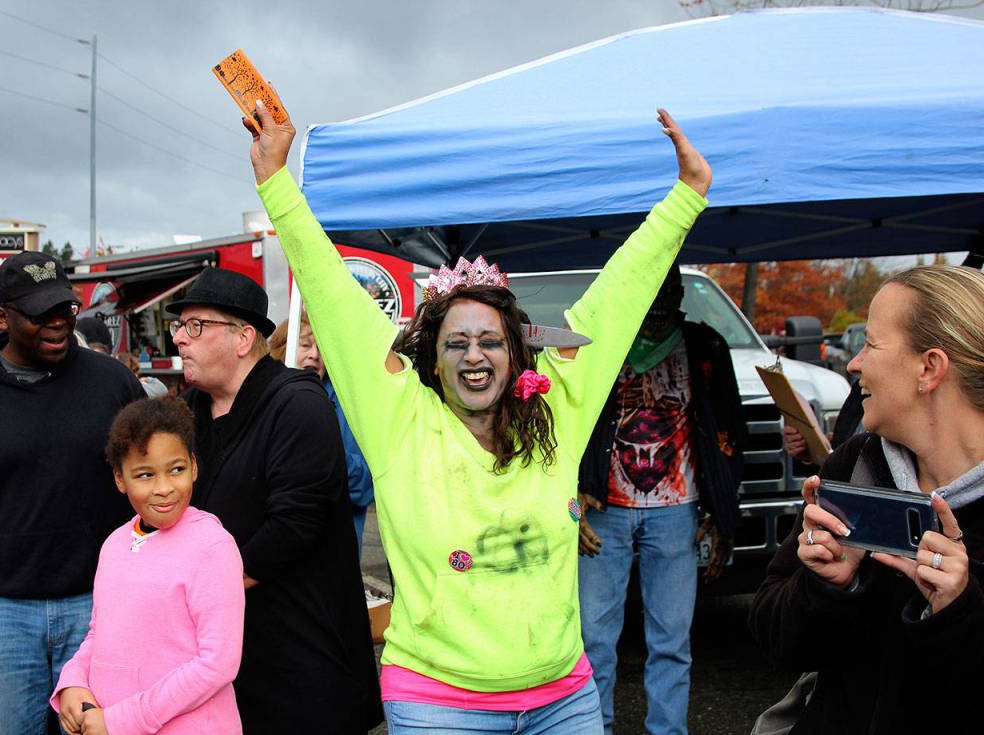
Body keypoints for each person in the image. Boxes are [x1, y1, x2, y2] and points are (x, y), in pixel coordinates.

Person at [247, 95, 710, 733]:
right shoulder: (398, 419)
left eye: (490, 341)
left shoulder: (559, 409)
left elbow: (617, 297)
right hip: (439, 705)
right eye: (456, 343)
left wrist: (685, 196)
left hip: (563, 700)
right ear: (430, 361)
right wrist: (276, 180)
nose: (475, 356)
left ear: (516, 351)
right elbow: (330, 290)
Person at [749, 265, 984, 733]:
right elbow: (775, 642)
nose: (853, 363)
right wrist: (825, 586)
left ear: (930, 368)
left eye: (872, 345)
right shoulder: (854, 466)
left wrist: (960, 611)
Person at [167, 267, 381, 733]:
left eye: (196, 326)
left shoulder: (298, 405)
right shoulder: (192, 411)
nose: (181, 339)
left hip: (302, 658)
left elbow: (292, 527)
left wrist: (193, 593)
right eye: (178, 326)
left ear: (244, 338)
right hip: (226, 658)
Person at [0, 251, 145, 734]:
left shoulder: (113, 382)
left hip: (99, 605)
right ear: (3, 317)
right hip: (1, 613)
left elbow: (153, 477)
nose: (58, 324)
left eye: (64, 309)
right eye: (39, 314)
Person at [577, 264, 746, 735]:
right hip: (602, 512)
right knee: (593, 638)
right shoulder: (602, 342)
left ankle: (668, 731)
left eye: (667, 293)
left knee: (672, 639)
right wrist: (571, 504)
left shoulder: (705, 347)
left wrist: (721, 514)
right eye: (650, 293)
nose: (657, 306)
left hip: (678, 511)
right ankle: (595, 728)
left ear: (679, 296)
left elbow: (730, 432)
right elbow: (564, 426)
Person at [51, 397, 245, 735]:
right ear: (119, 478)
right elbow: (100, 632)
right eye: (144, 475)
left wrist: (120, 720)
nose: (164, 488)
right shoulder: (114, 544)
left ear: (194, 466)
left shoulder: (213, 547)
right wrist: (72, 681)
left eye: (177, 469)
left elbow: (218, 664)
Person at [269, 316, 375, 550]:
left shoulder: (346, 405)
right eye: (305, 345)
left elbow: (364, 487)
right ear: (281, 350)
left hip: (334, 557)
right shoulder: (262, 400)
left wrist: (325, 451)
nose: (315, 355)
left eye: (321, 347)